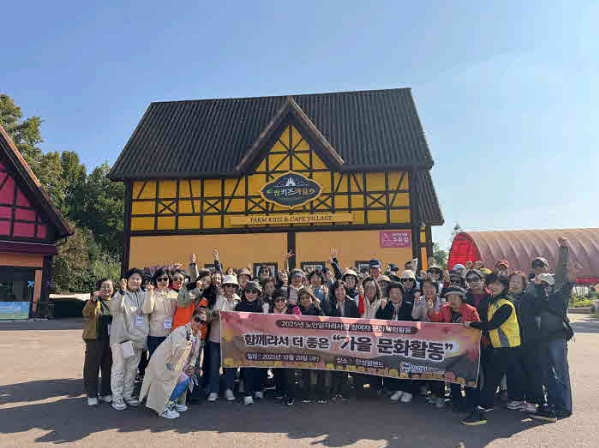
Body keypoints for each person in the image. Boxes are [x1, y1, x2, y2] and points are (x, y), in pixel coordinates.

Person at [461, 273, 521, 426]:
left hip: (508, 347)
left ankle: (481, 411)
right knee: (495, 379)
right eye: (491, 283)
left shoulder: (505, 304)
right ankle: (486, 406)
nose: (493, 286)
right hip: (499, 347)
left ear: (505, 286)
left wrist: (470, 324)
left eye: (498, 284)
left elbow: (491, 325)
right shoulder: (494, 301)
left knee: (493, 379)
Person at [532, 238, 575, 421]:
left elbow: (563, 270)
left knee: (561, 371)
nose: (539, 268)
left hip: (557, 336)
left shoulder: (558, 288)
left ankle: (564, 406)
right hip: (541, 337)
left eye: (541, 265)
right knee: (547, 373)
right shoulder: (534, 288)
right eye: (536, 265)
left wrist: (564, 249)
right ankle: (552, 403)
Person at [139, 309, 204, 419]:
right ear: (192, 318)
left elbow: (195, 354)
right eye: (197, 320)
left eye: (203, 322)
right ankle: (165, 406)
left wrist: (191, 366)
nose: (199, 323)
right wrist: (188, 343)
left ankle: (172, 402)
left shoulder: (198, 334)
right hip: (165, 363)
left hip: (177, 364)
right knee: (183, 380)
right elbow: (176, 350)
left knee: (188, 378)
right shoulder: (180, 331)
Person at [428, 286, 480, 411]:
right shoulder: (445, 309)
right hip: (451, 348)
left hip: (467, 349)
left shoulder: (471, 310)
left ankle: (471, 403)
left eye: (455, 297)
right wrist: (430, 309)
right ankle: (456, 402)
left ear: (462, 298)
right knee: (453, 376)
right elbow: (436, 319)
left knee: (467, 377)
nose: (452, 300)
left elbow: (478, 327)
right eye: (449, 298)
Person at [506, 272, 545, 415]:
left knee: (532, 370)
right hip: (512, 340)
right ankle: (516, 398)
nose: (515, 284)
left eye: (518, 282)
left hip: (530, 340)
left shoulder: (529, 298)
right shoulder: (505, 299)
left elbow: (541, 306)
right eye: (512, 281)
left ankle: (532, 401)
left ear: (524, 285)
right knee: (514, 370)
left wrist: (540, 287)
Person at [109, 268, 149, 411]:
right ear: (126, 280)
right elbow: (114, 309)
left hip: (137, 340)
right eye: (133, 278)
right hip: (123, 339)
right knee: (119, 369)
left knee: (132, 370)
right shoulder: (120, 294)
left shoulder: (144, 295)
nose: (135, 281)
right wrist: (121, 292)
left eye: (138, 279)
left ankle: (127, 394)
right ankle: (117, 397)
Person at [376, 282, 416, 403]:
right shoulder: (385, 305)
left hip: (406, 342)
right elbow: (378, 321)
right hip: (391, 342)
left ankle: (408, 391)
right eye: (392, 293)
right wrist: (382, 309)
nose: (394, 295)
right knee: (394, 365)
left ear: (402, 294)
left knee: (406, 366)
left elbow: (415, 323)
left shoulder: (409, 306)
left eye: (397, 293)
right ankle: (398, 389)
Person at [206, 274, 241, 402]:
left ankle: (228, 389)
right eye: (228, 285)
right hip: (215, 337)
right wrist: (220, 298)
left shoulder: (238, 301)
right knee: (214, 366)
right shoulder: (216, 298)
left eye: (233, 286)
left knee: (230, 366)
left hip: (231, 339)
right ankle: (214, 390)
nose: (231, 288)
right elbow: (213, 314)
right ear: (223, 287)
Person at [82, 278, 114, 406]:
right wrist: (93, 300)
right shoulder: (94, 301)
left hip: (110, 340)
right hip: (95, 339)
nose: (106, 289)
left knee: (108, 367)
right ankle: (91, 394)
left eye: (109, 286)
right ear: (98, 289)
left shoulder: (115, 301)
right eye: (103, 286)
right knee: (92, 367)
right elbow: (86, 313)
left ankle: (106, 392)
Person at [326, 280, 360, 400]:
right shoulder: (329, 302)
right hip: (334, 338)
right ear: (333, 291)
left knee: (345, 364)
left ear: (346, 290)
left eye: (342, 289)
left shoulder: (351, 302)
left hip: (348, 338)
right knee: (335, 365)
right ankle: (334, 390)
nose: (340, 292)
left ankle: (343, 391)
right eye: (337, 289)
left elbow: (356, 320)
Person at [235, 281, 267, 405]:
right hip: (245, 341)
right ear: (244, 292)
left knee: (260, 366)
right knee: (247, 366)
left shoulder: (263, 305)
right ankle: (248, 394)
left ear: (258, 293)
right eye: (248, 291)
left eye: (254, 291)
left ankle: (258, 389)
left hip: (261, 340)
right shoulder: (239, 306)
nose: (250, 294)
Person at [297, 287, 328, 403]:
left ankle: (321, 394)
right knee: (305, 371)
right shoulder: (297, 311)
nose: (305, 300)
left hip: (318, 343)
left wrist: (318, 307)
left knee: (320, 370)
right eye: (302, 298)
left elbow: (325, 322)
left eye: (307, 297)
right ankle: (306, 394)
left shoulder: (317, 309)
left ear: (312, 298)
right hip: (303, 344)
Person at [271, 289, 300, 406]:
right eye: (277, 300)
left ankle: (290, 395)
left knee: (289, 371)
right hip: (274, 344)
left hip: (290, 345)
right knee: (277, 370)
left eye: (282, 300)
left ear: (286, 300)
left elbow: (301, 321)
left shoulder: (293, 309)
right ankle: (280, 391)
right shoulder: (269, 311)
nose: (280, 302)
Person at [143, 269, 178, 358]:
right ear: (155, 281)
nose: (162, 281)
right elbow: (147, 310)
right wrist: (149, 294)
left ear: (169, 280)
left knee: (167, 362)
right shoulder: (151, 293)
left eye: (165, 279)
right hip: (155, 335)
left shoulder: (175, 294)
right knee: (154, 361)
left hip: (170, 334)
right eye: (159, 279)